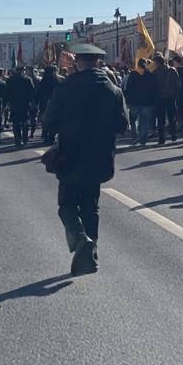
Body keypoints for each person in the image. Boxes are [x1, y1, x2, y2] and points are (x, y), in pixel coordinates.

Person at [41, 43, 128, 275]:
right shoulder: (113, 90)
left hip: (70, 154)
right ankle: (92, 253)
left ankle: (81, 239)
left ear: (78, 62)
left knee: (67, 205)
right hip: (99, 156)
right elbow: (123, 125)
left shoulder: (66, 87)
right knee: (91, 205)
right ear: (99, 63)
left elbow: (49, 122)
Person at [152, 52, 181, 145]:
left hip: (160, 98)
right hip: (171, 97)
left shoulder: (155, 72)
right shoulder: (172, 70)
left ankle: (161, 138)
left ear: (157, 62)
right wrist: (176, 95)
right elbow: (178, 84)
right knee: (172, 117)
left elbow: (154, 86)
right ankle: (173, 134)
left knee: (161, 119)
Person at [5, 65, 37, 147]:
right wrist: (31, 102)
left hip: (14, 104)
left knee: (16, 123)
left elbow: (7, 93)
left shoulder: (10, 80)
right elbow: (32, 92)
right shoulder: (27, 79)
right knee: (25, 122)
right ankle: (25, 139)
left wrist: (8, 103)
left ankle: (17, 140)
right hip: (25, 104)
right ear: (23, 70)